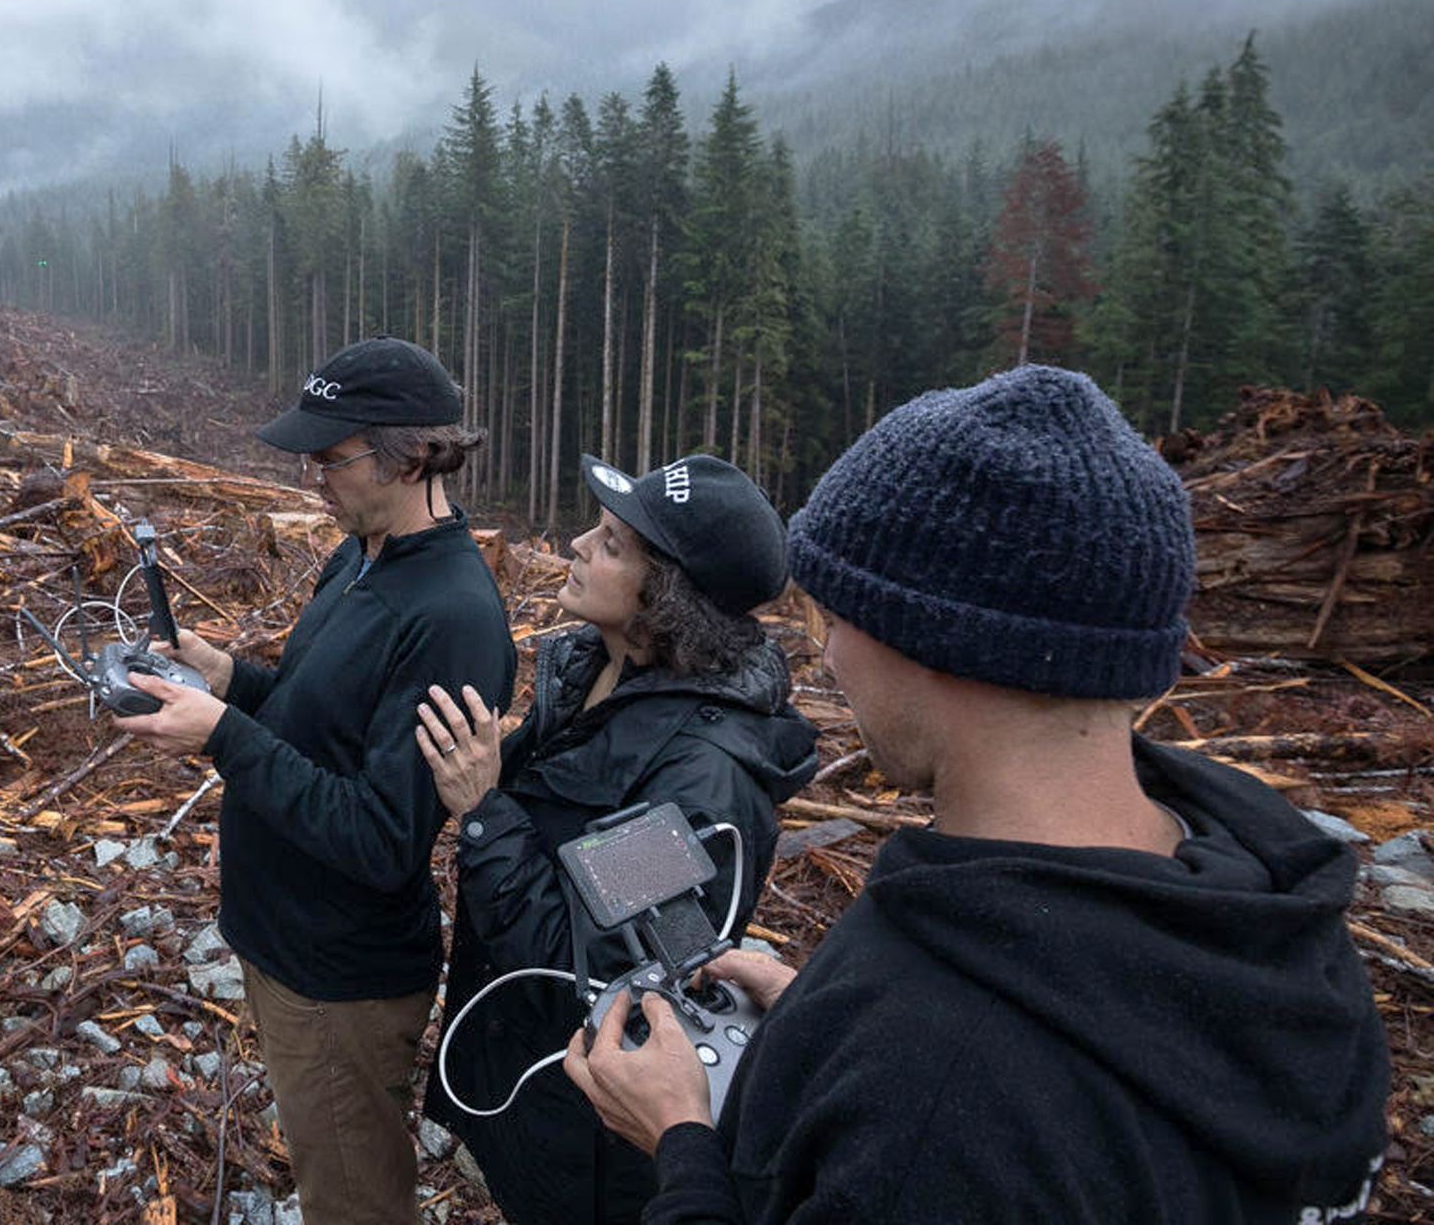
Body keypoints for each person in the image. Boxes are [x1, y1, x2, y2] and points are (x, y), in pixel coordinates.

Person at [564, 364, 1392, 1225]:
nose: (830, 657)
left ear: (926, 638)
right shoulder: (1276, 916)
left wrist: (685, 1147)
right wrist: (826, 1025)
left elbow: (959, 1100)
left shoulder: (930, 1092)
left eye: (835, 617)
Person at [115, 336, 517, 1225]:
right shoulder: (362, 554)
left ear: (409, 455)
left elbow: (381, 839)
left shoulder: (452, 618)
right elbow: (315, 721)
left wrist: (221, 734)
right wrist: (230, 679)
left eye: (328, 458)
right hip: (285, 942)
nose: (311, 478)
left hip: (341, 979)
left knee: (354, 1204)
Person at [412, 452, 818, 1224]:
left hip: (590, 1132)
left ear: (664, 598)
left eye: (608, 542)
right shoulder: (593, 670)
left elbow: (594, 966)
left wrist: (482, 808)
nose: (575, 546)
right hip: (522, 1071)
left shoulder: (701, 775)